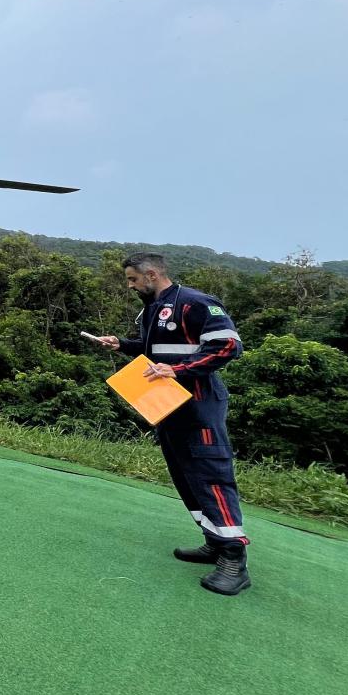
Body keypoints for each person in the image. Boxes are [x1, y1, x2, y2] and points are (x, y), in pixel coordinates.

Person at [92, 252, 251, 595]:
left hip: (199, 405)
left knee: (211, 474)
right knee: (185, 475)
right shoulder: (152, 309)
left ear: (151, 275)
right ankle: (214, 541)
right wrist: (122, 345)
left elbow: (228, 346)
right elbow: (156, 353)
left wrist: (177, 371)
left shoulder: (194, 302)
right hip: (165, 405)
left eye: (133, 280)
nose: (131, 286)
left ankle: (234, 557)